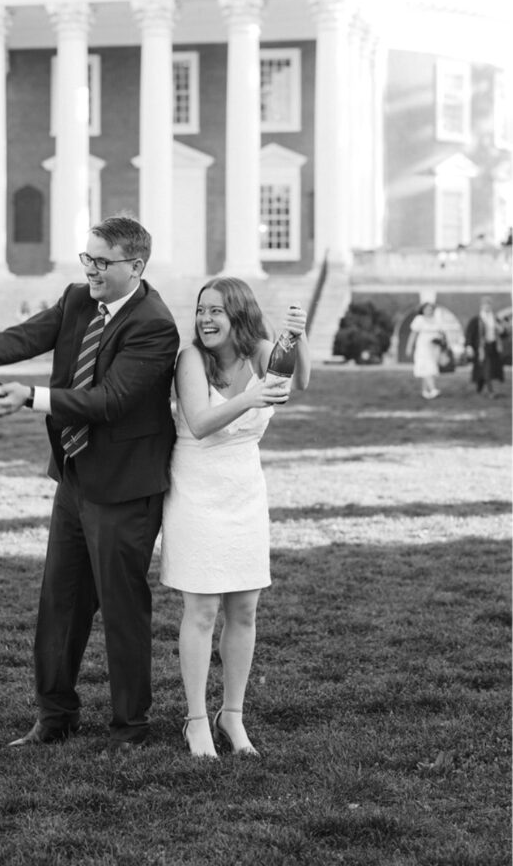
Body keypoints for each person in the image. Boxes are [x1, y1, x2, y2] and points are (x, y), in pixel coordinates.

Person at [0, 217, 180, 755]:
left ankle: (131, 728)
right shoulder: (76, 299)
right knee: (59, 603)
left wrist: (32, 397)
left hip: (126, 488)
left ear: (136, 266)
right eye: (86, 258)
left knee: (122, 608)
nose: (90, 270)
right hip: (75, 477)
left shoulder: (155, 325)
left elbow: (110, 400)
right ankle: (55, 716)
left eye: (102, 262)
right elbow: (26, 336)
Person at [159, 278, 311, 758]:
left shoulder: (262, 351)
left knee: (244, 609)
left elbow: (300, 381)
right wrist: (253, 397)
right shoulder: (190, 361)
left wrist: (297, 337)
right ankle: (195, 720)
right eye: (201, 310)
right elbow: (201, 424)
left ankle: (233, 715)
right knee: (201, 611)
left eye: (217, 311)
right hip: (196, 491)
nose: (205, 319)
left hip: (244, 491)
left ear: (239, 316)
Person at [465, 296, 506, 398]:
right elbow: (469, 334)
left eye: (488, 305)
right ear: (481, 306)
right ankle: (491, 391)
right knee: (487, 367)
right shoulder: (477, 319)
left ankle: (479, 388)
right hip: (481, 348)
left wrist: (501, 330)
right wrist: (469, 346)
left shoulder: (495, 319)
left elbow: (504, 334)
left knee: (486, 369)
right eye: (485, 305)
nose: (487, 307)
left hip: (493, 346)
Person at [406, 301, 443, 399]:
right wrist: (409, 347)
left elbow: (441, 333)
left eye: (431, 309)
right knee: (427, 367)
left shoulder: (436, 319)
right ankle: (433, 389)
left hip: (434, 348)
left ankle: (425, 391)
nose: (429, 311)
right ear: (423, 310)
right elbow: (413, 334)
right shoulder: (419, 319)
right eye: (427, 309)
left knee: (428, 369)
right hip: (423, 347)